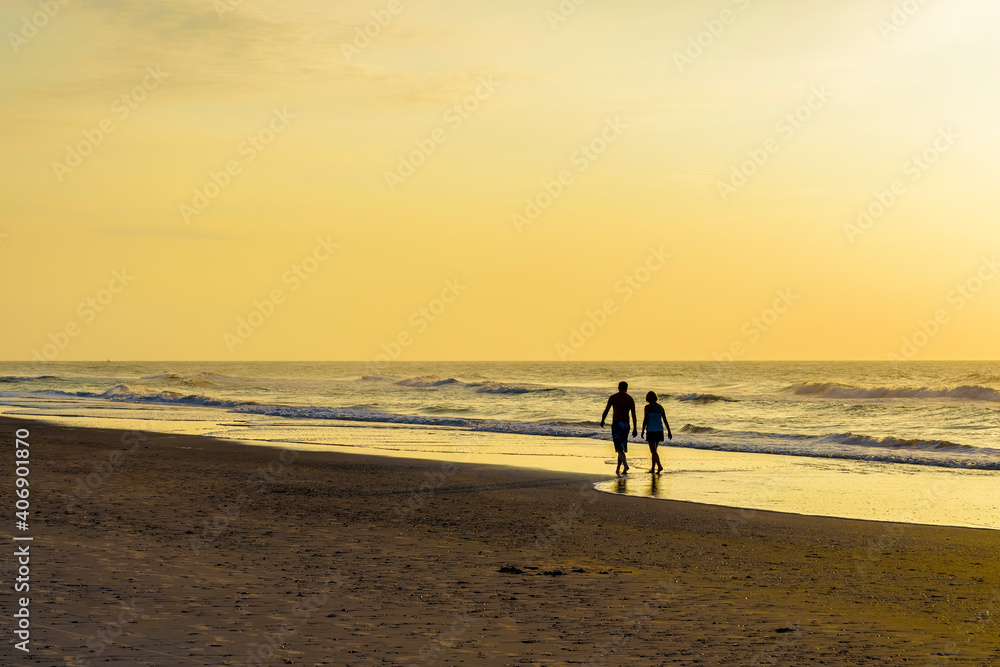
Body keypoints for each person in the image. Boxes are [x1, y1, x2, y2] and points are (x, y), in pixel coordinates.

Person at [600, 381, 636, 476]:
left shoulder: (613, 397)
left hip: (617, 424)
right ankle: (618, 468)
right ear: (626, 388)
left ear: (618, 387)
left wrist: (602, 420)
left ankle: (625, 465)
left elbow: (606, 410)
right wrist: (635, 428)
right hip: (626, 425)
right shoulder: (630, 399)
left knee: (619, 448)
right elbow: (633, 415)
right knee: (621, 447)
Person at [640, 391, 672, 474]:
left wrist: (643, 430)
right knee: (654, 451)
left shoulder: (648, 407)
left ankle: (659, 466)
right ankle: (653, 468)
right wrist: (669, 431)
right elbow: (665, 420)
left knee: (653, 451)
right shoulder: (660, 407)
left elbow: (645, 419)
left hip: (651, 430)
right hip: (659, 430)